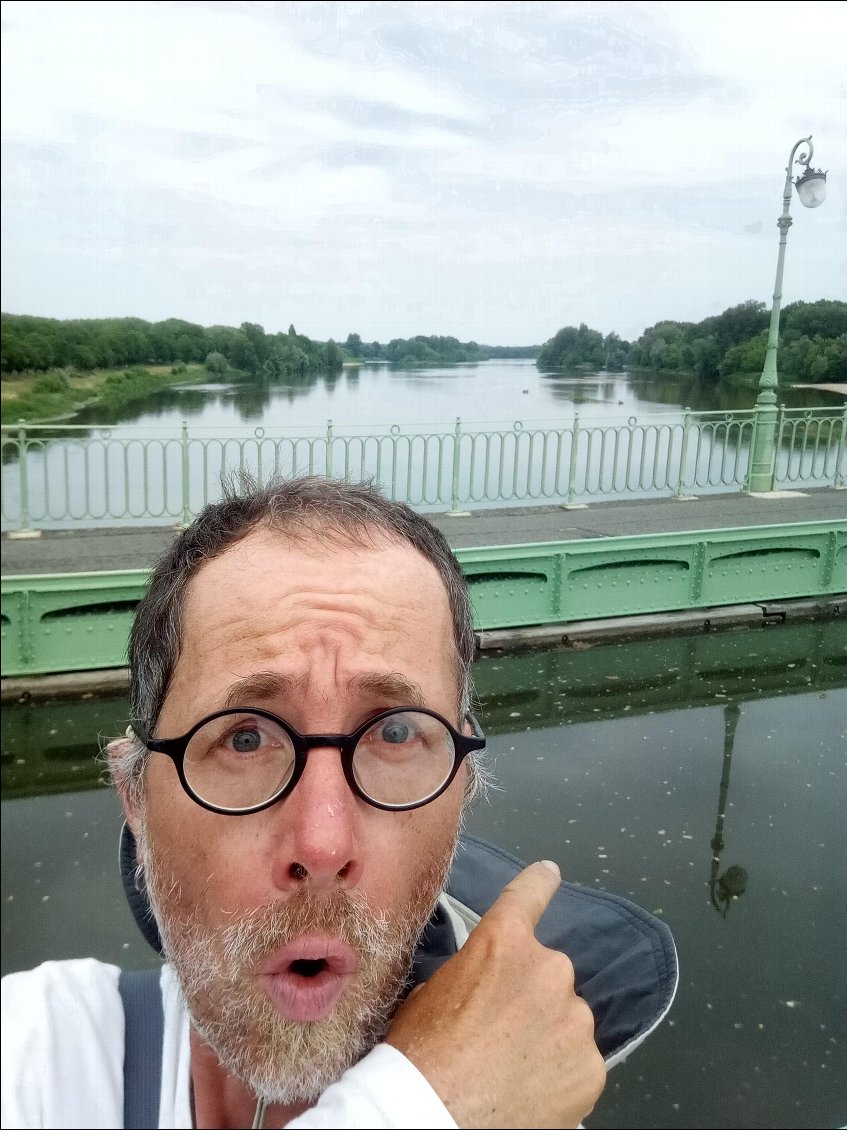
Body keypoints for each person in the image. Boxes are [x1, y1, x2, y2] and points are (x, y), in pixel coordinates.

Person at [1, 476, 675, 1129]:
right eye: (244, 737)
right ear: (135, 796)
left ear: (462, 788)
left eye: (395, 732)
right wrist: (424, 1111)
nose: (322, 847)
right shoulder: (39, 1058)